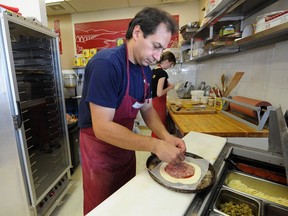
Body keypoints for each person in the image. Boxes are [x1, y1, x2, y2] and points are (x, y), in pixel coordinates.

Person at [78, 7, 186, 214]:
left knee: (125, 202)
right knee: (103, 208)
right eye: (155, 46)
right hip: (99, 150)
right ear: (137, 33)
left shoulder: (145, 69)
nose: (157, 56)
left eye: (161, 50)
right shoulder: (106, 64)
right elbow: (102, 128)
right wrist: (155, 145)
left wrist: (165, 136)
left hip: (126, 147)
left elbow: (147, 108)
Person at [151, 51, 176, 138]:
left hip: (153, 102)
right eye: (171, 64)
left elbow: (156, 85)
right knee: (160, 127)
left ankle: (154, 150)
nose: (170, 67)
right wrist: (170, 87)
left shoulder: (154, 70)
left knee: (155, 126)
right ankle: (157, 150)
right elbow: (159, 93)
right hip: (159, 103)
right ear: (167, 61)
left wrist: (167, 84)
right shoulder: (163, 73)